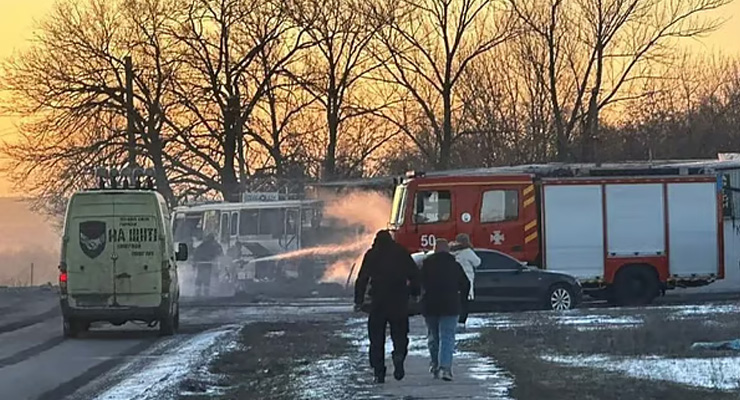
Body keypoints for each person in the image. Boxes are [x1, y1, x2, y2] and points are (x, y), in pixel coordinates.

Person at [354, 230, 420, 384]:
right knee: (400, 334)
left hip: (378, 301)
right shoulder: (401, 252)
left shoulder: (372, 254)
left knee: (376, 339)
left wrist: (359, 300)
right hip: (399, 300)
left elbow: (362, 278)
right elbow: (414, 274)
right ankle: (399, 355)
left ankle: (379, 372)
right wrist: (414, 292)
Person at [420, 238, 470, 381]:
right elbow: (465, 284)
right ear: (448, 250)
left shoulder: (426, 265)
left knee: (433, 336)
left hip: (430, 305)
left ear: (435, 250)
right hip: (450, 305)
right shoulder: (455, 265)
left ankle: (435, 364)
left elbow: (418, 283)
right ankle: (445, 368)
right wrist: (462, 300)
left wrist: (419, 296)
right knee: (447, 336)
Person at [450, 233, 481, 329]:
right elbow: (477, 262)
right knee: (464, 302)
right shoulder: (467, 252)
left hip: (452, 279)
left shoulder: (451, 251)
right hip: (466, 278)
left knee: (454, 301)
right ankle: (461, 322)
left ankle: (453, 320)